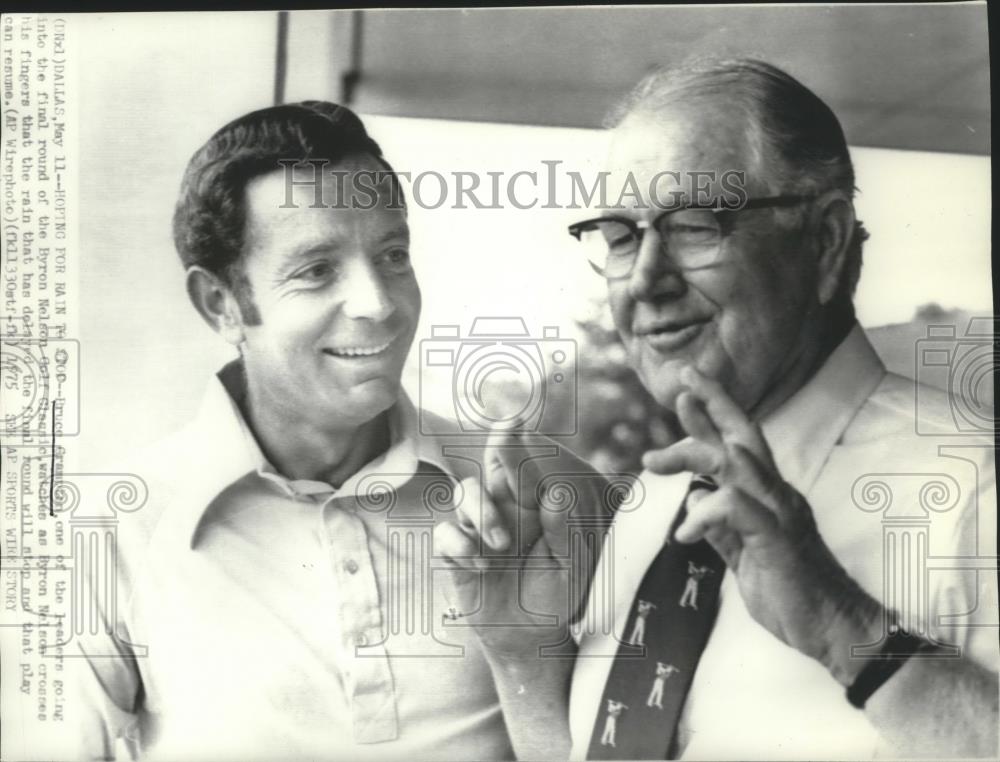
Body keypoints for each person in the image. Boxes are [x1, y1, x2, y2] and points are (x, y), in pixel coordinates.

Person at [439, 58, 998, 759]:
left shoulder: (977, 492)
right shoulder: (655, 501)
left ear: (824, 241)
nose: (644, 279)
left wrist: (842, 626)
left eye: (695, 226)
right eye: (619, 237)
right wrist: (522, 656)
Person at [73, 100, 610, 761]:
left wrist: (527, 654)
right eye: (317, 269)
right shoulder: (108, 531)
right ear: (223, 303)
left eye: (392, 254)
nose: (379, 303)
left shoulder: (549, 498)